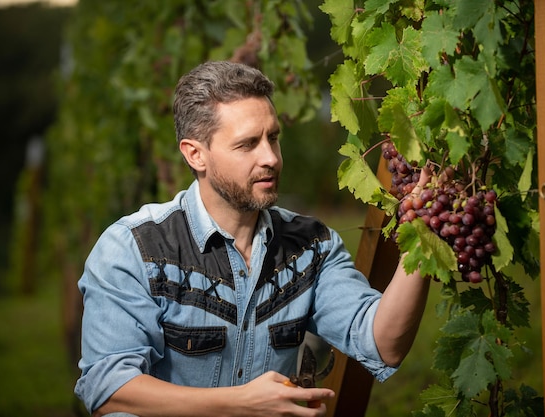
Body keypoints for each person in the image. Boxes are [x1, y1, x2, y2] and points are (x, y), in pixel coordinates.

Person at [74, 60, 431, 417]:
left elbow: (383, 343)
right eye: (247, 145)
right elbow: (110, 388)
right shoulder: (135, 249)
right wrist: (241, 403)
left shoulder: (311, 247)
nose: (270, 158)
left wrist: (423, 230)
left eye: (272, 138)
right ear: (195, 154)